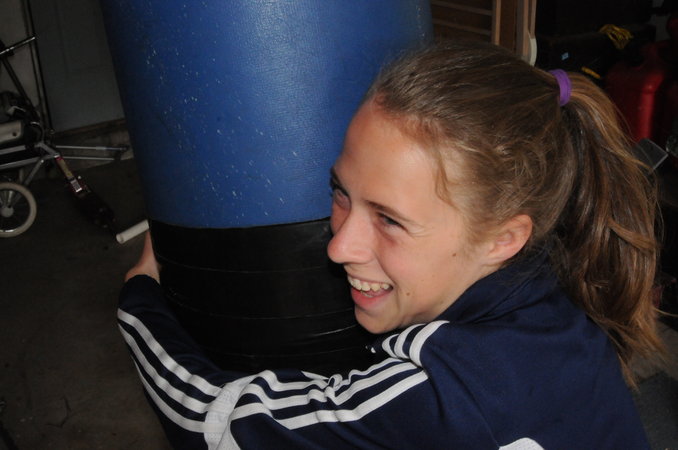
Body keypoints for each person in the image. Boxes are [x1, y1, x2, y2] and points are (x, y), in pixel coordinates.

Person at [119, 40, 662, 449]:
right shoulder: (560, 296)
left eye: (389, 220)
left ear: (503, 238)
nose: (339, 248)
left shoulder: (443, 393)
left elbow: (214, 422)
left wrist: (139, 298)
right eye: (341, 192)